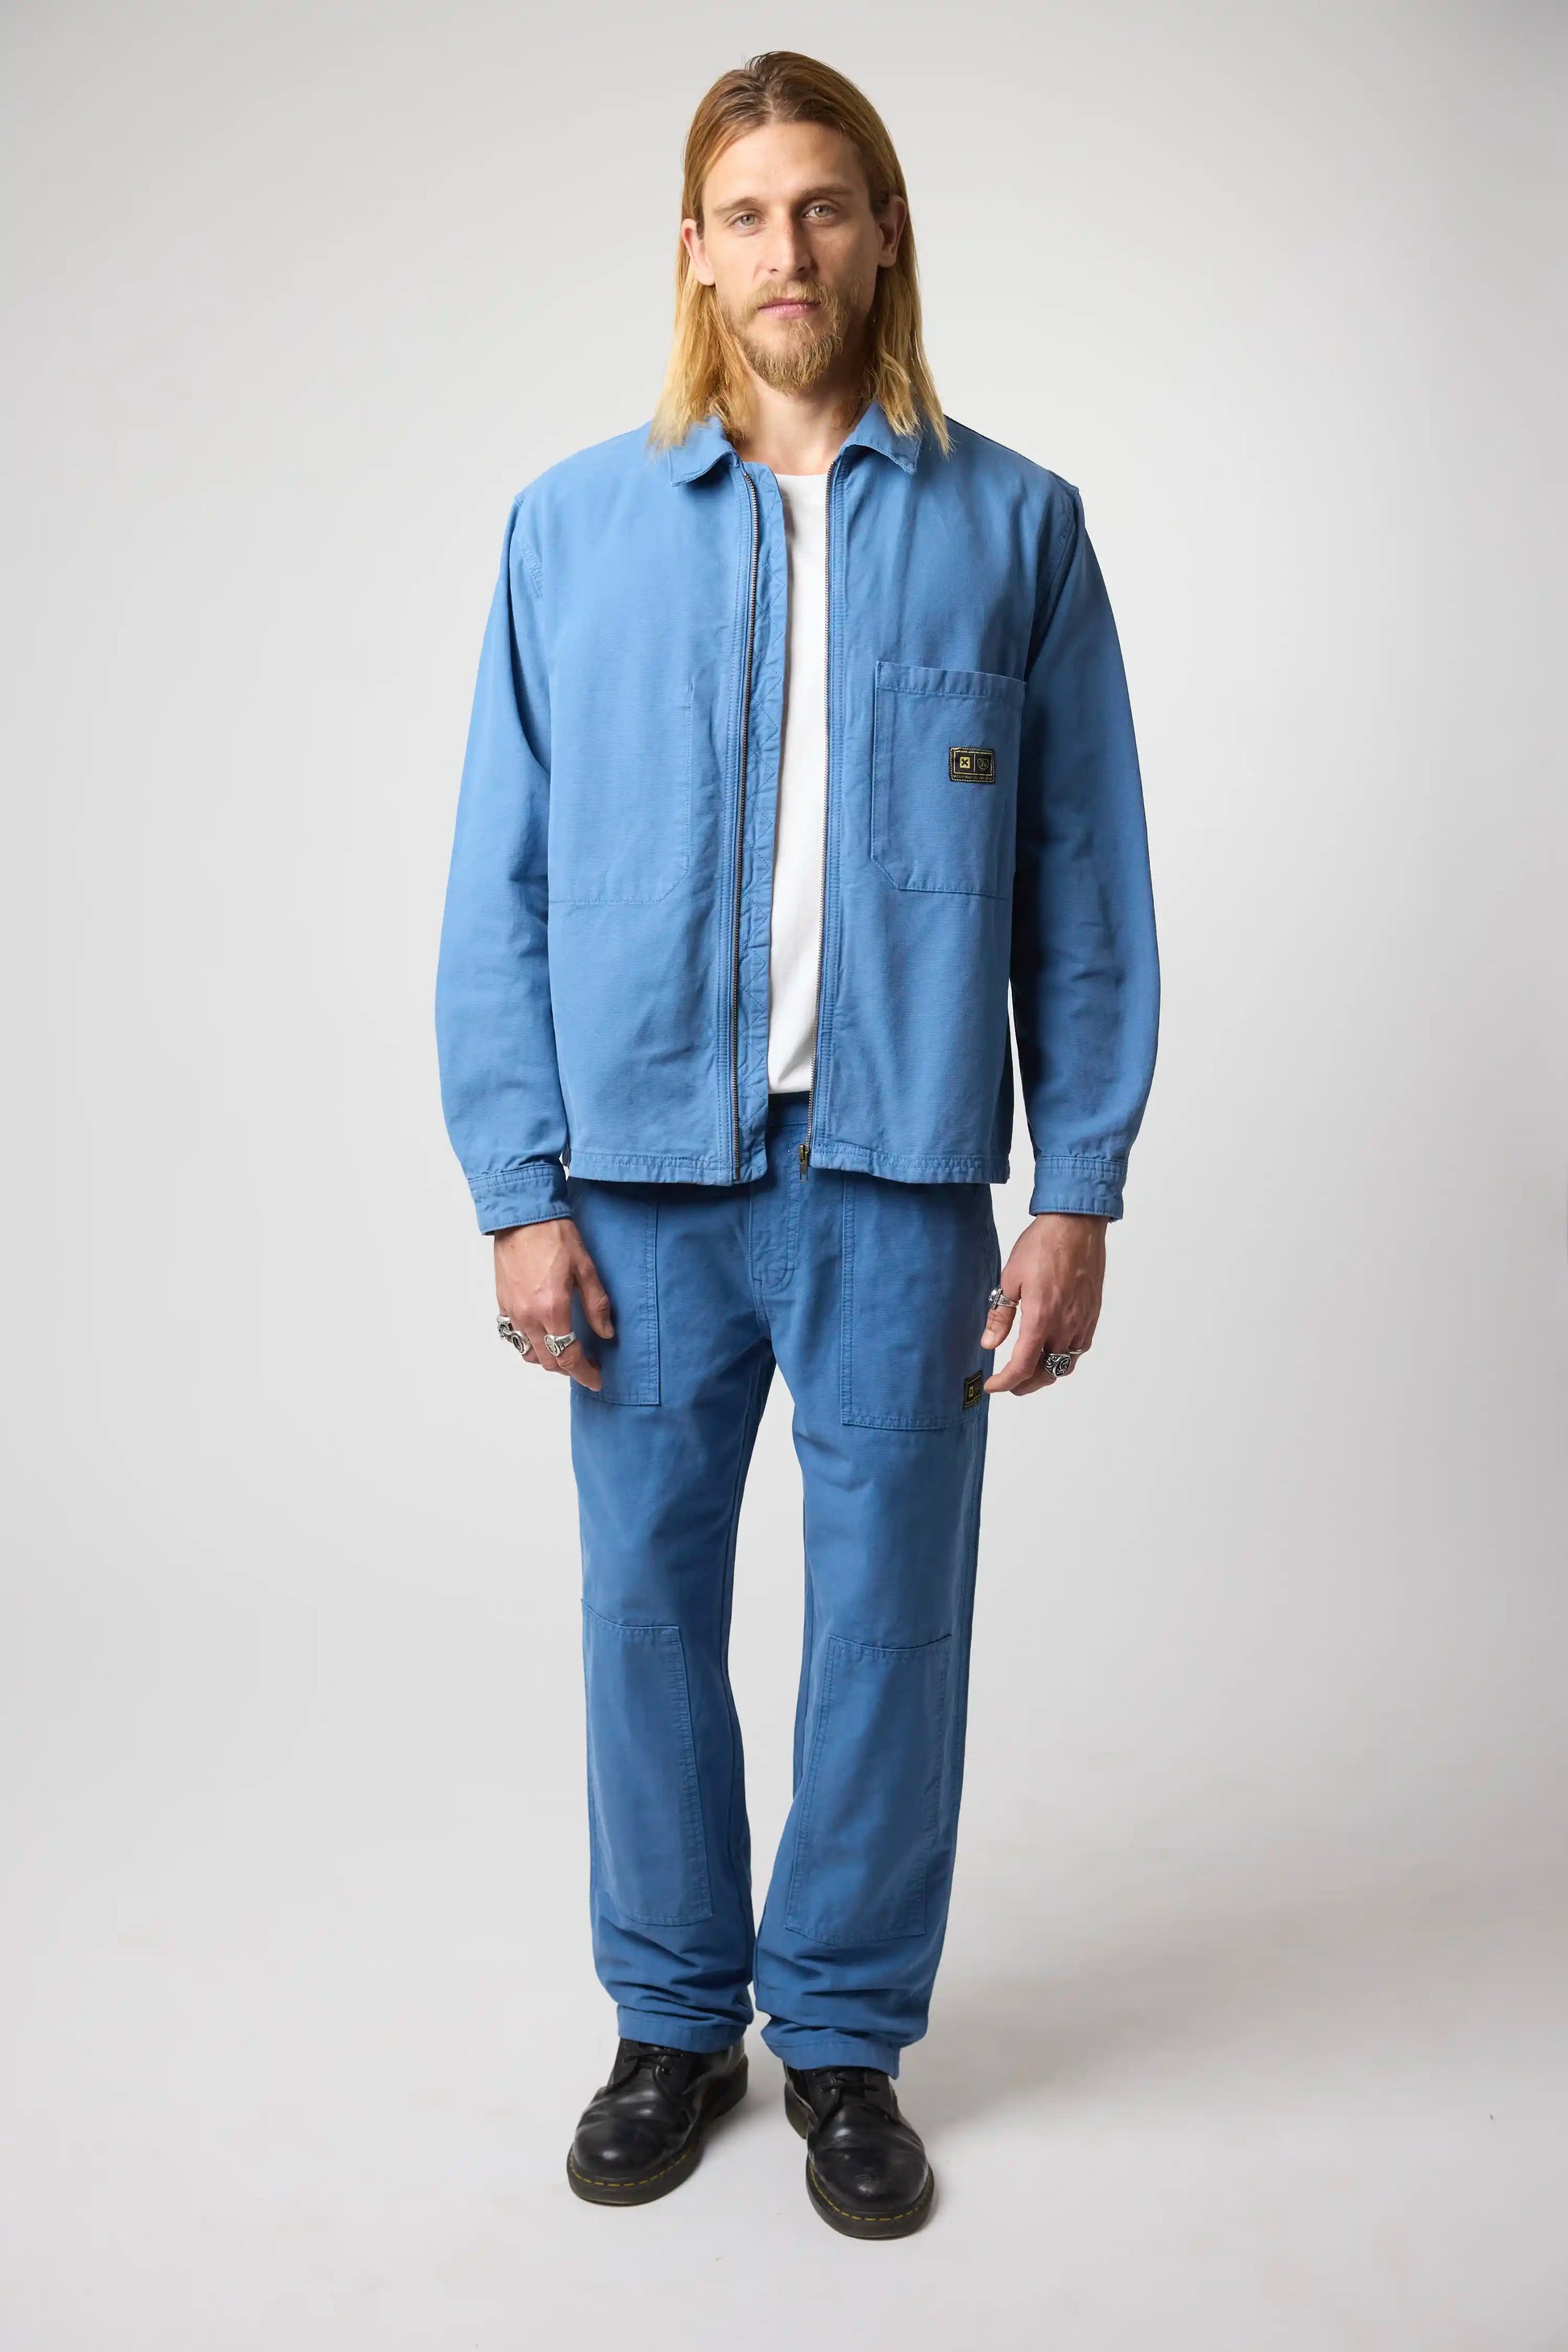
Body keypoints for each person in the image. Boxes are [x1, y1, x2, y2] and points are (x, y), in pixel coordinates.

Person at [435, 49, 1159, 2239]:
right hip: (641, 1188)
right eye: (745, 213)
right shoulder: (569, 531)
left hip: (900, 1184)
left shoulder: (1014, 525)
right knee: (642, 1609)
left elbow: (1082, 884)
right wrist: (517, 1193)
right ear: (692, 250)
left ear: (882, 232)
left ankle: (843, 2036)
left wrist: (1077, 1187)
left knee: (891, 1622)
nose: (787, 249)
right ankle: (672, 2020)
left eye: (824, 205)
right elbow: (501, 886)